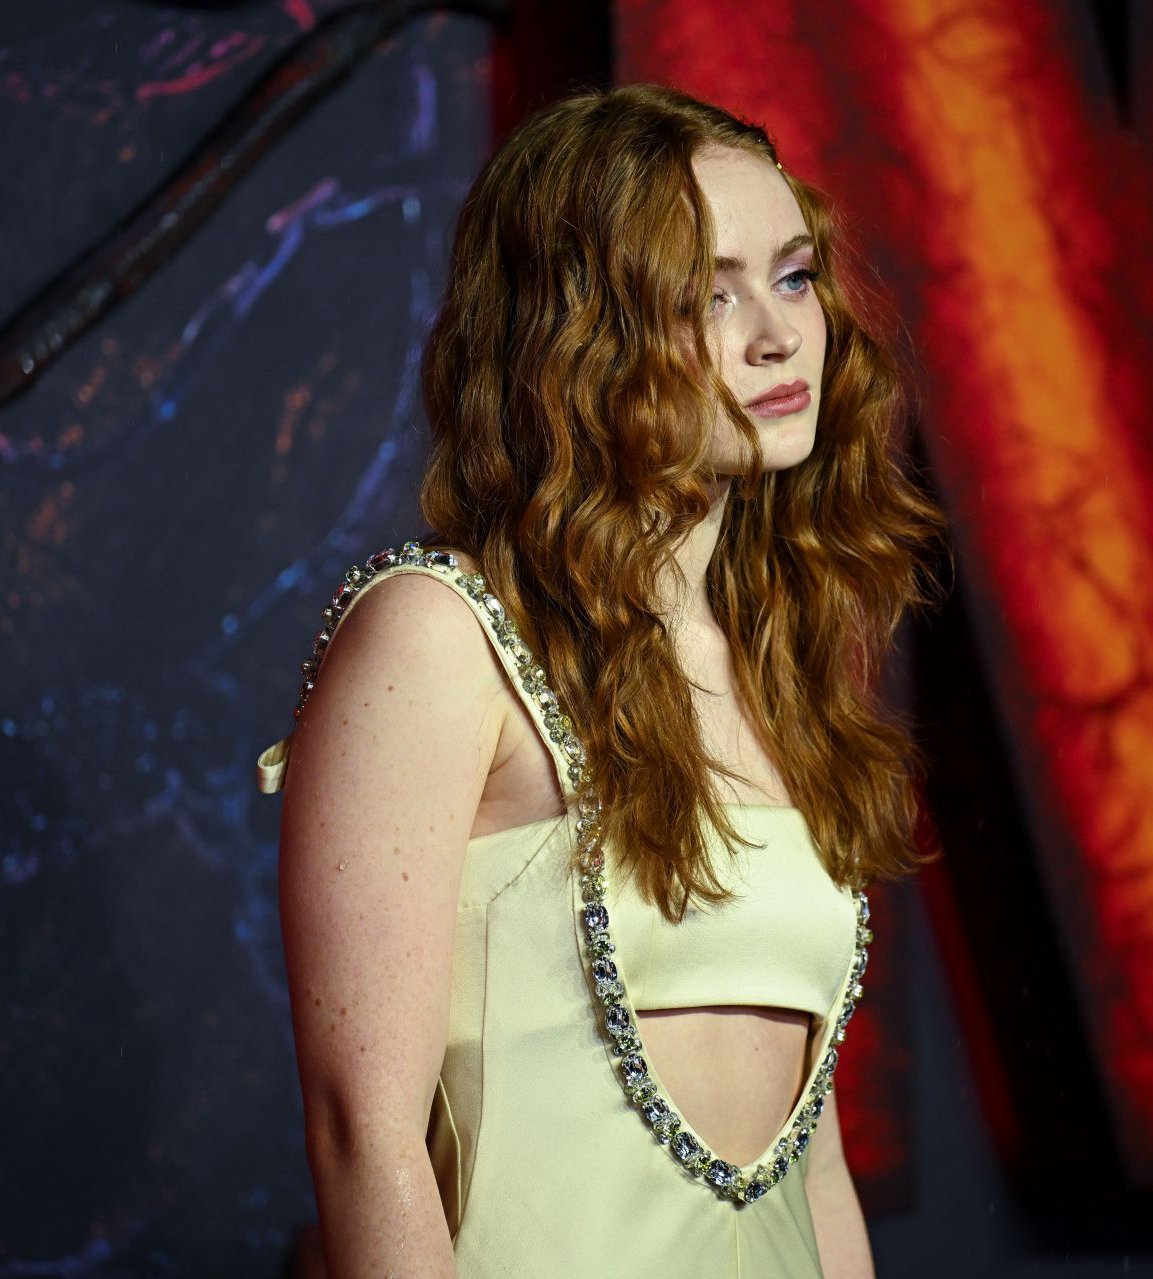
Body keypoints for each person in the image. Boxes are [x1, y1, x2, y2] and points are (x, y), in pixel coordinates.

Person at [256, 83, 946, 1278]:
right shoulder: (437, 636)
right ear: (581, 331)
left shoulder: (774, 659)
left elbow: (814, 1164)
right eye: (704, 296)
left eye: (791, 277)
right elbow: (364, 1138)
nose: (778, 336)